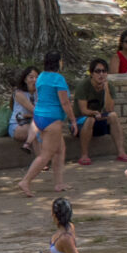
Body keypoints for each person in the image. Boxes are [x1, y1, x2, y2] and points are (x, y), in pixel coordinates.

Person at [20, 51, 76, 198]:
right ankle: (26, 181)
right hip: (52, 119)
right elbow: (65, 103)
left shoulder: (41, 77)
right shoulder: (58, 79)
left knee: (60, 150)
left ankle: (59, 183)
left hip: (39, 116)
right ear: (59, 63)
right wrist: (73, 120)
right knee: (46, 155)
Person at [74, 60, 119, 165]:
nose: (101, 74)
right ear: (91, 73)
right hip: (80, 121)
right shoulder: (83, 85)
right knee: (90, 120)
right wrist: (94, 113)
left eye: (104, 71)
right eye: (98, 71)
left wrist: (106, 90)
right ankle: (84, 155)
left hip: (97, 118)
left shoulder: (109, 86)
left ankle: (121, 152)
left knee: (113, 116)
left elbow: (109, 109)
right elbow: (83, 110)